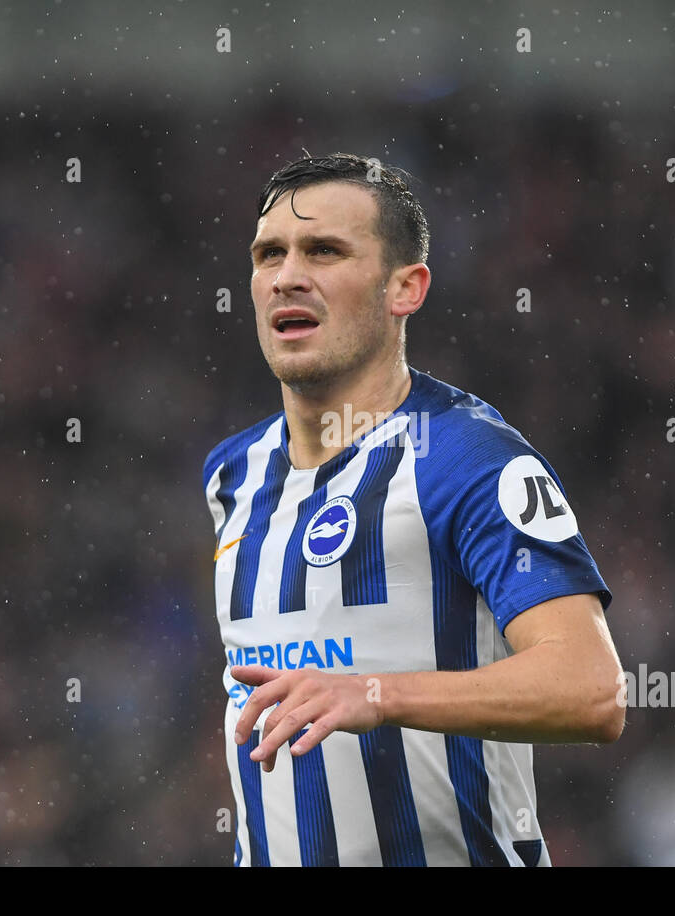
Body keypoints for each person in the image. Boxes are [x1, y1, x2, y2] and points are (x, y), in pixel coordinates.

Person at [202, 152, 624, 866]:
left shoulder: (468, 458)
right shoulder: (232, 475)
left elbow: (592, 690)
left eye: (324, 250)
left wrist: (376, 694)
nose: (287, 276)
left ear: (406, 288)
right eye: (269, 253)